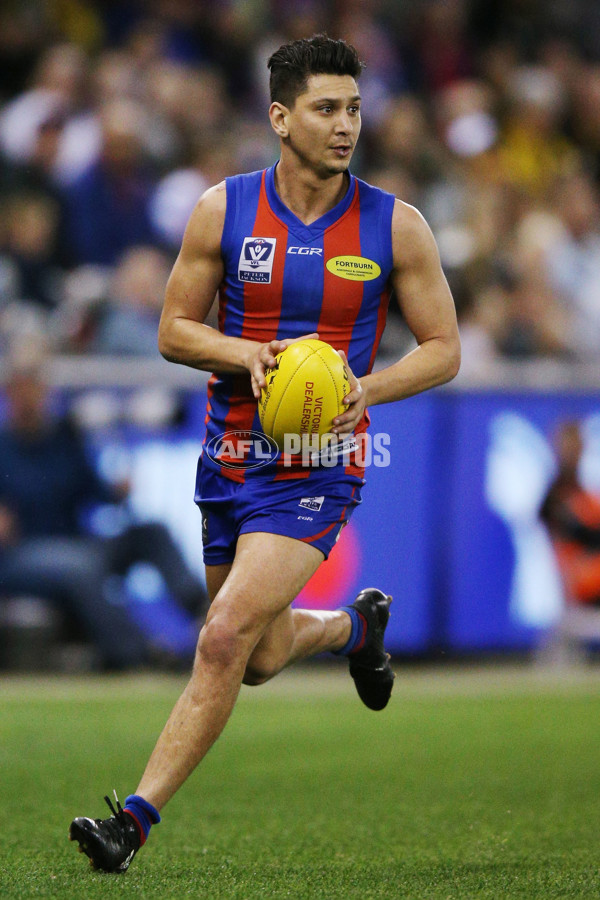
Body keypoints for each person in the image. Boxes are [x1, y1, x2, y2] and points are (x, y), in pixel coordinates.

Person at [69, 34, 460, 872]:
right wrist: (243, 355)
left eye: (354, 108)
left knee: (221, 639)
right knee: (260, 656)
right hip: (228, 457)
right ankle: (359, 627)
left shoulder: (399, 226)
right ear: (280, 117)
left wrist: (366, 388)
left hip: (320, 462)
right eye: (326, 108)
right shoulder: (223, 210)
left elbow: (443, 348)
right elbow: (174, 328)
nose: (346, 125)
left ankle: (130, 824)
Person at [0, 351, 208, 670]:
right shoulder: (4, 446)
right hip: (18, 556)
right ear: (10, 393)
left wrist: (116, 490)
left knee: (149, 533)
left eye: (35, 387)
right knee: (79, 567)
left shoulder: (63, 437)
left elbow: (96, 493)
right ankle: (143, 653)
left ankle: (204, 613)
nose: (30, 396)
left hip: (78, 545)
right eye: (22, 387)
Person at [540, 420, 600, 606]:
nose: (572, 453)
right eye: (567, 446)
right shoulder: (555, 496)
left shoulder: (587, 492)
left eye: (575, 445)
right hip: (577, 593)